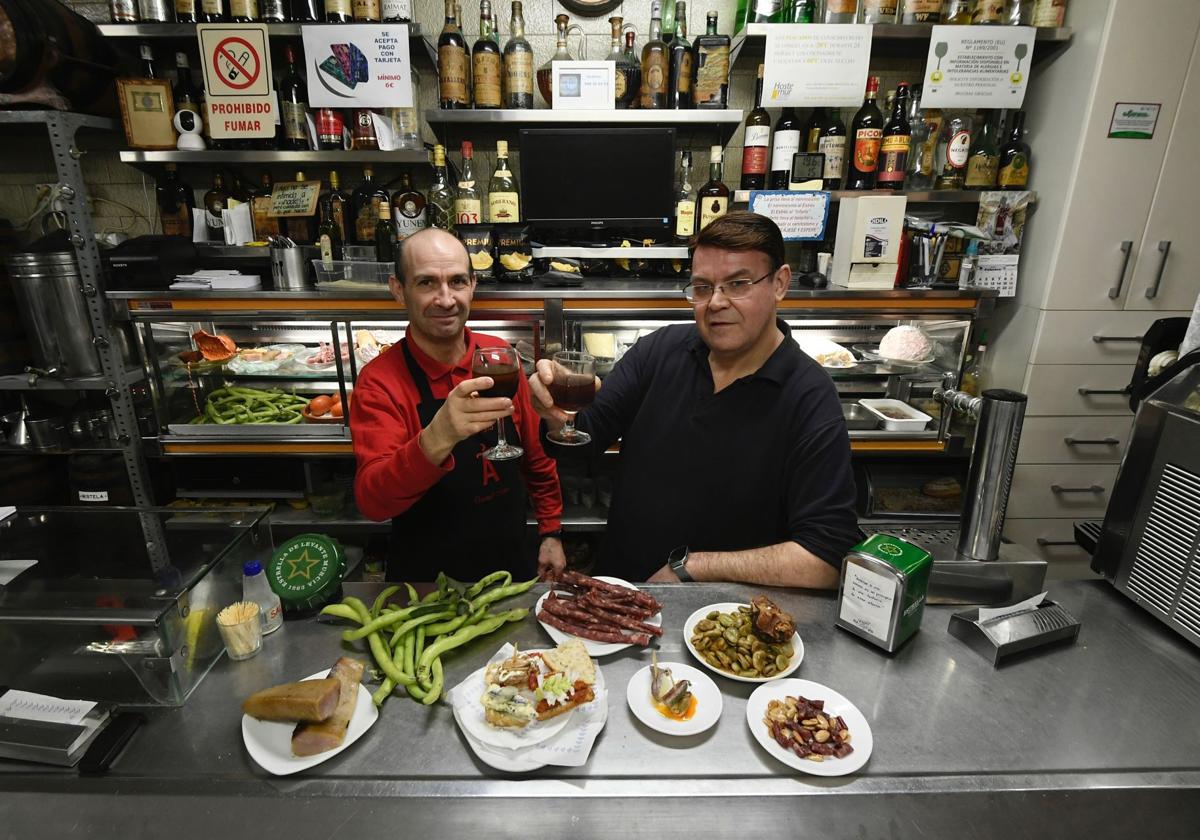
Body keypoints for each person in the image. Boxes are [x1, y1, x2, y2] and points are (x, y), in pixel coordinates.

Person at [529, 212, 859, 587]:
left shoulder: (809, 396)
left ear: (780, 283)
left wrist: (692, 567)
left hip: (729, 624)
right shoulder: (659, 351)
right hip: (622, 596)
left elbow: (827, 556)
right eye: (702, 287)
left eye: (738, 284)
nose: (716, 302)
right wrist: (557, 414)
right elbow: (582, 440)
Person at [351, 227, 565, 581]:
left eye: (457, 281)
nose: (446, 299)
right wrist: (438, 436)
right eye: (426, 283)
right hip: (427, 585)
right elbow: (374, 503)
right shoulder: (379, 382)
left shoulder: (498, 356)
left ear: (473, 286)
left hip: (510, 568)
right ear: (398, 291)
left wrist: (551, 531)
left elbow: (536, 456)